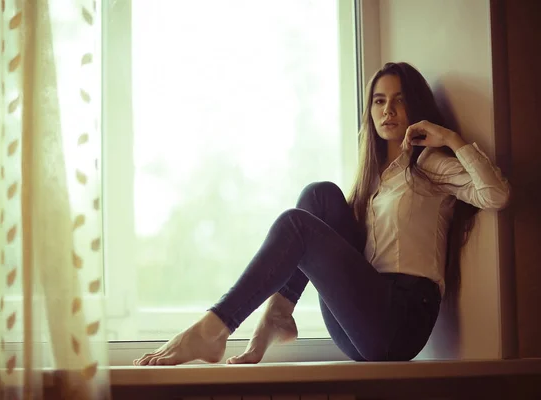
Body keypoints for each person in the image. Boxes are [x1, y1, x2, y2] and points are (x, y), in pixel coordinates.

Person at [133, 62, 510, 366]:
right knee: (320, 195)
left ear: (415, 106)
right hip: (359, 323)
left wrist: (450, 139)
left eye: (398, 100)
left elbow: (496, 195)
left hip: (402, 319)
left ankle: (215, 327)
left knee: (296, 225)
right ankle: (280, 312)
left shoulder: (428, 164)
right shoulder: (372, 182)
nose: (387, 110)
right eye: (378, 101)